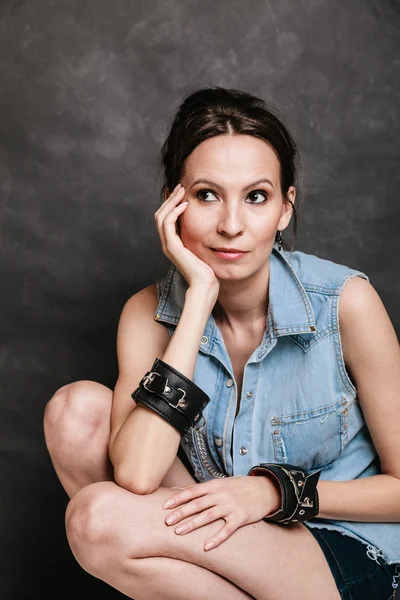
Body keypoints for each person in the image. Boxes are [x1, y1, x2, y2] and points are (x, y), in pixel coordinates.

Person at [43, 86, 400, 600]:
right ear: (175, 203)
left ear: (284, 208)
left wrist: (276, 492)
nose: (232, 226)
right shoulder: (148, 313)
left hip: (340, 544)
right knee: (76, 412)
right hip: (227, 533)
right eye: (208, 195)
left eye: (256, 197)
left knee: (99, 521)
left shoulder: (346, 303)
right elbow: (139, 474)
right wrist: (198, 301)